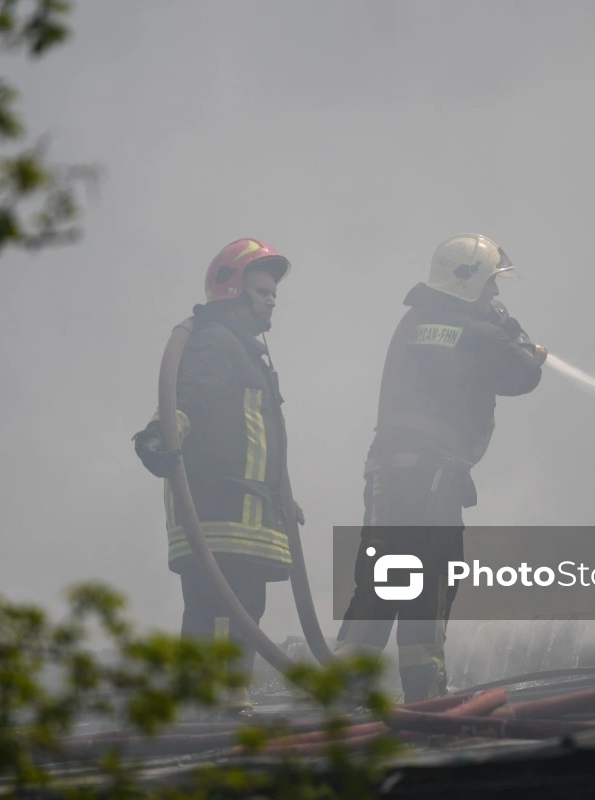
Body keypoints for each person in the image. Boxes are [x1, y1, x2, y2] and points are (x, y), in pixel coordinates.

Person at [335, 233, 547, 701]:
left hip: (392, 472)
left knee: (384, 580)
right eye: (491, 284)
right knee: (429, 579)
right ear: (467, 284)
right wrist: (510, 327)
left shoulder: (420, 323)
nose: (496, 293)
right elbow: (523, 373)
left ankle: (345, 693)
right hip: (432, 476)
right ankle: (426, 698)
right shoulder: (476, 332)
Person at [132, 238, 300, 713]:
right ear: (233, 290)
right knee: (224, 612)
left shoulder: (244, 352)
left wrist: (283, 498)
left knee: (240, 609)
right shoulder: (216, 341)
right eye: (263, 291)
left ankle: (213, 705)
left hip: (247, 512)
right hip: (222, 511)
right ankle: (215, 712)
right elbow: (188, 398)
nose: (272, 300)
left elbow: (252, 437)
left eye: (274, 293)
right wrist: (158, 436)